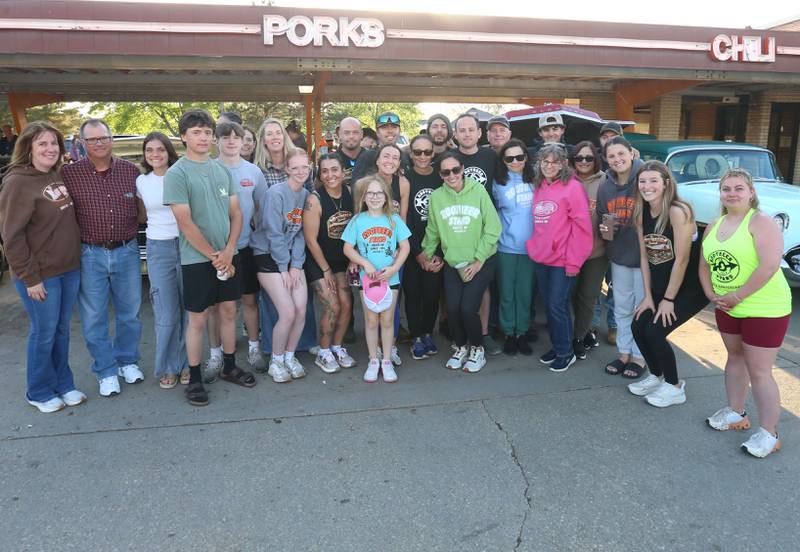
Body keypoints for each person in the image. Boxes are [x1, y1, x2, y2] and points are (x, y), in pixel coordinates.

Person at [164, 109, 255, 407]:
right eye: (196, 133)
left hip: (228, 255)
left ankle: (229, 366)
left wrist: (229, 250)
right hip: (197, 261)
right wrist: (215, 256)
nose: (202, 138)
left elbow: (236, 213)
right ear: (183, 137)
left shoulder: (221, 171)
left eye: (206, 132)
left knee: (229, 311)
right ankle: (195, 377)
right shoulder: (177, 174)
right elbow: (185, 223)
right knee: (199, 319)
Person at [700, 168, 792, 458]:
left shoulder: (761, 222)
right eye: (726, 188)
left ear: (751, 192)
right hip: (727, 305)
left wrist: (738, 295)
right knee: (735, 357)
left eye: (739, 188)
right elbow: (704, 265)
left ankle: (769, 432)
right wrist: (709, 293)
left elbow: (769, 265)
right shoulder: (715, 224)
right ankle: (736, 412)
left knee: (760, 370)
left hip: (764, 307)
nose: (732, 193)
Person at [0, 121, 86, 412]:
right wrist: (29, 277)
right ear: (28, 147)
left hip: (68, 269)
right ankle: (37, 391)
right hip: (39, 275)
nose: (50, 149)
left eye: (54, 144)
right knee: (44, 332)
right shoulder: (17, 182)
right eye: (42, 144)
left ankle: (63, 384)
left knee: (61, 330)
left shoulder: (54, 174)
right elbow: (11, 237)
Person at [61, 119, 144, 397]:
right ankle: (106, 370)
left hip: (127, 250)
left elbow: (143, 210)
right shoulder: (69, 175)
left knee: (129, 313)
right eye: (93, 139)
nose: (99, 143)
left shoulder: (131, 171)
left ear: (111, 139)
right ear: (82, 144)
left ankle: (127, 361)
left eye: (104, 138)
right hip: (90, 253)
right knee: (94, 316)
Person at [628, 161, 707, 407]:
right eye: (643, 181)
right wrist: (649, 296)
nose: (647, 186)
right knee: (638, 325)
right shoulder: (641, 211)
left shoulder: (677, 210)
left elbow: (682, 259)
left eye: (653, 181)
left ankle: (674, 386)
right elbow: (644, 257)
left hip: (689, 287)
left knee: (655, 331)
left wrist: (669, 300)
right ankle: (656, 375)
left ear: (666, 184)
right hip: (661, 287)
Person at [421, 152, 501, 373]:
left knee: (467, 308)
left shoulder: (478, 191)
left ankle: (477, 349)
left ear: (462, 168)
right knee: (453, 309)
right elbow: (433, 231)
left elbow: (493, 228)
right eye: (446, 172)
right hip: (453, 262)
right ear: (441, 174)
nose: (452, 175)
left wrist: (477, 261)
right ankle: (461, 346)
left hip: (482, 260)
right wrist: (426, 255)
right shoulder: (437, 197)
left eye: (455, 170)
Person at [526, 143, 593, 372]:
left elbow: (582, 228)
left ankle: (566, 352)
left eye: (555, 161)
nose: (549, 166)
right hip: (542, 258)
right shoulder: (540, 186)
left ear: (564, 163)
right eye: (545, 161)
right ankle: (558, 346)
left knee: (557, 306)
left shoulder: (573, 188)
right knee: (552, 305)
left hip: (563, 260)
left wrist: (574, 261)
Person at [342, 175, 411, 382]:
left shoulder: (393, 219)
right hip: (368, 280)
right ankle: (373, 360)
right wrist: (365, 263)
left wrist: (394, 268)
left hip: (390, 278)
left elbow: (405, 246)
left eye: (379, 193)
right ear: (363, 197)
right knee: (371, 320)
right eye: (370, 193)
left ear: (386, 196)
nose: (374, 197)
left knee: (388, 320)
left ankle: (387, 360)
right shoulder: (357, 220)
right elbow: (347, 248)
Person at [251, 148, 310, 383]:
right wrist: (284, 268)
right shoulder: (276, 193)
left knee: (301, 310)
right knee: (287, 312)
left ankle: (289, 356)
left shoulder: (305, 194)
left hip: (290, 258)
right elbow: (274, 233)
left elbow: (299, 233)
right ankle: (276, 361)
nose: (300, 172)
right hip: (268, 255)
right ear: (286, 169)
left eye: (304, 167)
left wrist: (296, 265)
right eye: (295, 168)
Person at [213, 121, 267, 375]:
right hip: (215, 250)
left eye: (238, 137)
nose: (232, 141)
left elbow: (261, 208)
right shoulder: (208, 170)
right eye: (226, 137)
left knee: (249, 300)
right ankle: (218, 355)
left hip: (245, 247)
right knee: (221, 306)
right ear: (217, 141)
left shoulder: (253, 172)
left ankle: (255, 348)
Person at [135, 132, 187, 389]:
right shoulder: (141, 182)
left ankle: (188, 363)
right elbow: (142, 215)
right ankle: (168, 366)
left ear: (169, 152)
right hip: (159, 248)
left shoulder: (181, 175)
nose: (155, 155)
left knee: (189, 309)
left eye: (160, 150)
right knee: (166, 311)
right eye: (149, 150)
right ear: (144, 154)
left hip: (188, 246)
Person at [597, 136, 647, 378]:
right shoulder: (605, 186)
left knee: (642, 308)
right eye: (611, 156)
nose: (617, 159)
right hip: (619, 255)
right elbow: (602, 221)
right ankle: (624, 353)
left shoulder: (646, 178)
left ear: (631, 153)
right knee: (622, 307)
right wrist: (606, 229)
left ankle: (640, 356)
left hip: (645, 257)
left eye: (621, 154)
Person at [302, 153, 357, 373]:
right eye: (324, 171)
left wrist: (354, 259)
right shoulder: (314, 200)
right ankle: (323, 352)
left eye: (334, 169)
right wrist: (325, 270)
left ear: (343, 171)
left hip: (341, 261)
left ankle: (336, 347)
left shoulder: (351, 192)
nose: (330, 175)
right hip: (318, 261)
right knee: (332, 305)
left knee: (346, 303)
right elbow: (310, 240)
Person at [454, 113, 501, 355]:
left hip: (483, 229)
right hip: (456, 228)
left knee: (482, 286)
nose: (467, 134)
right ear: (455, 134)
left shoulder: (490, 156)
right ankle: (458, 332)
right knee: (456, 284)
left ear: (479, 133)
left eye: (471, 130)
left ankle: (482, 333)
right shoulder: (449, 158)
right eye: (462, 130)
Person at [492, 138, 535, 356]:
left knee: (524, 293)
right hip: (506, 246)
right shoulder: (498, 182)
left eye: (520, 157)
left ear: (526, 157)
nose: (516, 161)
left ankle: (522, 332)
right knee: (507, 293)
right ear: (503, 160)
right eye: (510, 158)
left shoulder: (536, 179)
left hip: (531, 247)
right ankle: (509, 332)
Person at [403, 134, 444, 360]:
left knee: (431, 295)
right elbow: (405, 219)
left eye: (427, 152)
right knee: (413, 294)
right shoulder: (406, 179)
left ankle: (428, 332)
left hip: (436, 248)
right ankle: (416, 335)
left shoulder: (440, 179)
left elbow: (445, 219)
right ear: (411, 153)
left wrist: (437, 254)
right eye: (417, 152)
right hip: (411, 249)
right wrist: (418, 252)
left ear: (433, 154)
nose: (422, 156)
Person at [569, 141, 608, 360]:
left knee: (589, 295)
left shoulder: (605, 181)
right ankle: (579, 333)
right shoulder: (565, 180)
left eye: (588, 158)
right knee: (570, 295)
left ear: (595, 159)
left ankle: (578, 337)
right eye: (579, 158)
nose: (584, 162)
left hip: (596, 251)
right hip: (569, 252)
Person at [351, 112, 406, 183]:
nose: (390, 131)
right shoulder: (367, 157)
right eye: (384, 128)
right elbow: (356, 188)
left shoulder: (404, 157)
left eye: (394, 127)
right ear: (377, 132)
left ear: (399, 131)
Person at [335, 117, 365, 187]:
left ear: (362, 134)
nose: (351, 136)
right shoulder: (330, 161)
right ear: (339, 134)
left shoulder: (372, 158)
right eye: (346, 133)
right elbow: (317, 189)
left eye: (355, 132)